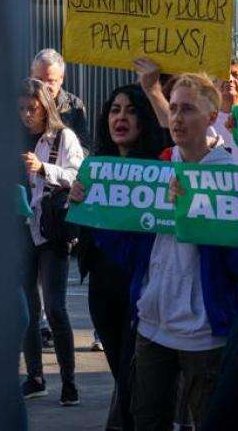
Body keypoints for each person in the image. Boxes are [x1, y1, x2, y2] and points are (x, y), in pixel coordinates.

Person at [113, 73, 238, 431]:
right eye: (174, 108)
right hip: (152, 325)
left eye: (188, 109)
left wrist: (201, 213)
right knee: (147, 419)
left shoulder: (235, 177)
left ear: (211, 117)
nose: (177, 118)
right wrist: (97, 211)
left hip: (206, 333)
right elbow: (129, 252)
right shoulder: (160, 165)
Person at [70, 84, 169, 430]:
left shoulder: (161, 168)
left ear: (144, 120)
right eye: (115, 110)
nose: (121, 118)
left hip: (141, 294)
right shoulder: (94, 168)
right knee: (122, 378)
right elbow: (84, 238)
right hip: (103, 293)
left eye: (130, 111)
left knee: (133, 383)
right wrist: (78, 203)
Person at [17, 78, 85, 406]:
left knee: (55, 307)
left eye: (32, 108)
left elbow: (78, 176)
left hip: (52, 228)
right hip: (20, 228)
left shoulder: (62, 136)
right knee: (27, 307)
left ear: (46, 107)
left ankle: (69, 380)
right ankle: (35, 376)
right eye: (21, 109)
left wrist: (44, 168)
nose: (26, 115)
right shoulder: (11, 138)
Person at [31, 48, 90, 151]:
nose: (44, 86)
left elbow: (83, 149)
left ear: (61, 79)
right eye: (39, 80)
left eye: (50, 81)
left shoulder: (74, 106)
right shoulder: (19, 103)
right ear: (31, 76)